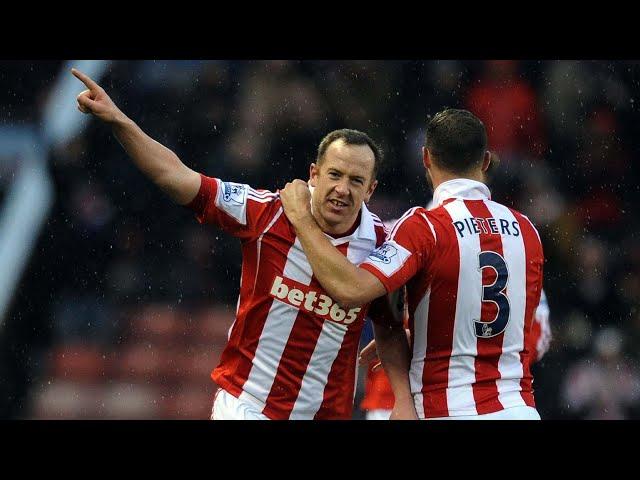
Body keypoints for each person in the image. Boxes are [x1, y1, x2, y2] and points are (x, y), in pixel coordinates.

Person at [71, 68, 389, 420]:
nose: (342, 189)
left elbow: (425, 299)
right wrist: (119, 121)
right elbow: (175, 176)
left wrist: (400, 330)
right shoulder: (266, 212)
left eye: (356, 180)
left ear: (370, 190)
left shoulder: (383, 244)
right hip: (247, 406)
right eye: (334, 174)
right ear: (314, 173)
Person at [279, 108, 545, 420]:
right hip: (518, 408)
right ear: (486, 161)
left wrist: (302, 220)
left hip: (446, 409)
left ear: (426, 158)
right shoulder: (527, 230)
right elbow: (511, 321)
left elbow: (351, 289)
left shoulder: (424, 227)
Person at [359, 289, 551, 419]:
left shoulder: (517, 247)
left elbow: (537, 335)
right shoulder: (404, 237)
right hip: (395, 398)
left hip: (476, 399)